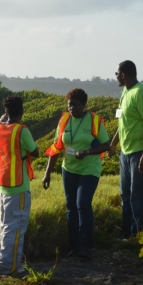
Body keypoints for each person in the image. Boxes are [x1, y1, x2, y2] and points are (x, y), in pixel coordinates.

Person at [42, 88, 110, 259]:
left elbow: (106, 145)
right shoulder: (64, 121)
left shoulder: (94, 121)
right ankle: (74, 246)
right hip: (69, 169)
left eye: (76, 105)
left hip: (89, 170)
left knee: (83, 204)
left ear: (84, 105)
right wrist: (47, 173)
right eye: (69, 105)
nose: (72, 109)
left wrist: (87, 152)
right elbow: (57, 147)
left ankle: (87, 247)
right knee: (71, 208)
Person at [109, 60, 143, 239]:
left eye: (117, 74)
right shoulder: (126, 92)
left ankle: (140, 236)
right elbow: (123, 121)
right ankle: (128, 232)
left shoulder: (142, 93)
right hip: (127, 151)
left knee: (139, 195)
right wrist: (113, 144)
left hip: (142, 152)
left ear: (123, 75)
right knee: (126, 192)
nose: (115, 76)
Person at [0, 96, 39, 278]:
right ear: (21, 112)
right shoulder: (22, 131)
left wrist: (4, 118)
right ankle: (11, 268)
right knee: (17, 228)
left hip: (3, 183)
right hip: (19, 185)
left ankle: (4, 263)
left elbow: (0, 121)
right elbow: (35, 151)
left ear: (6, 111)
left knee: (5, 226)